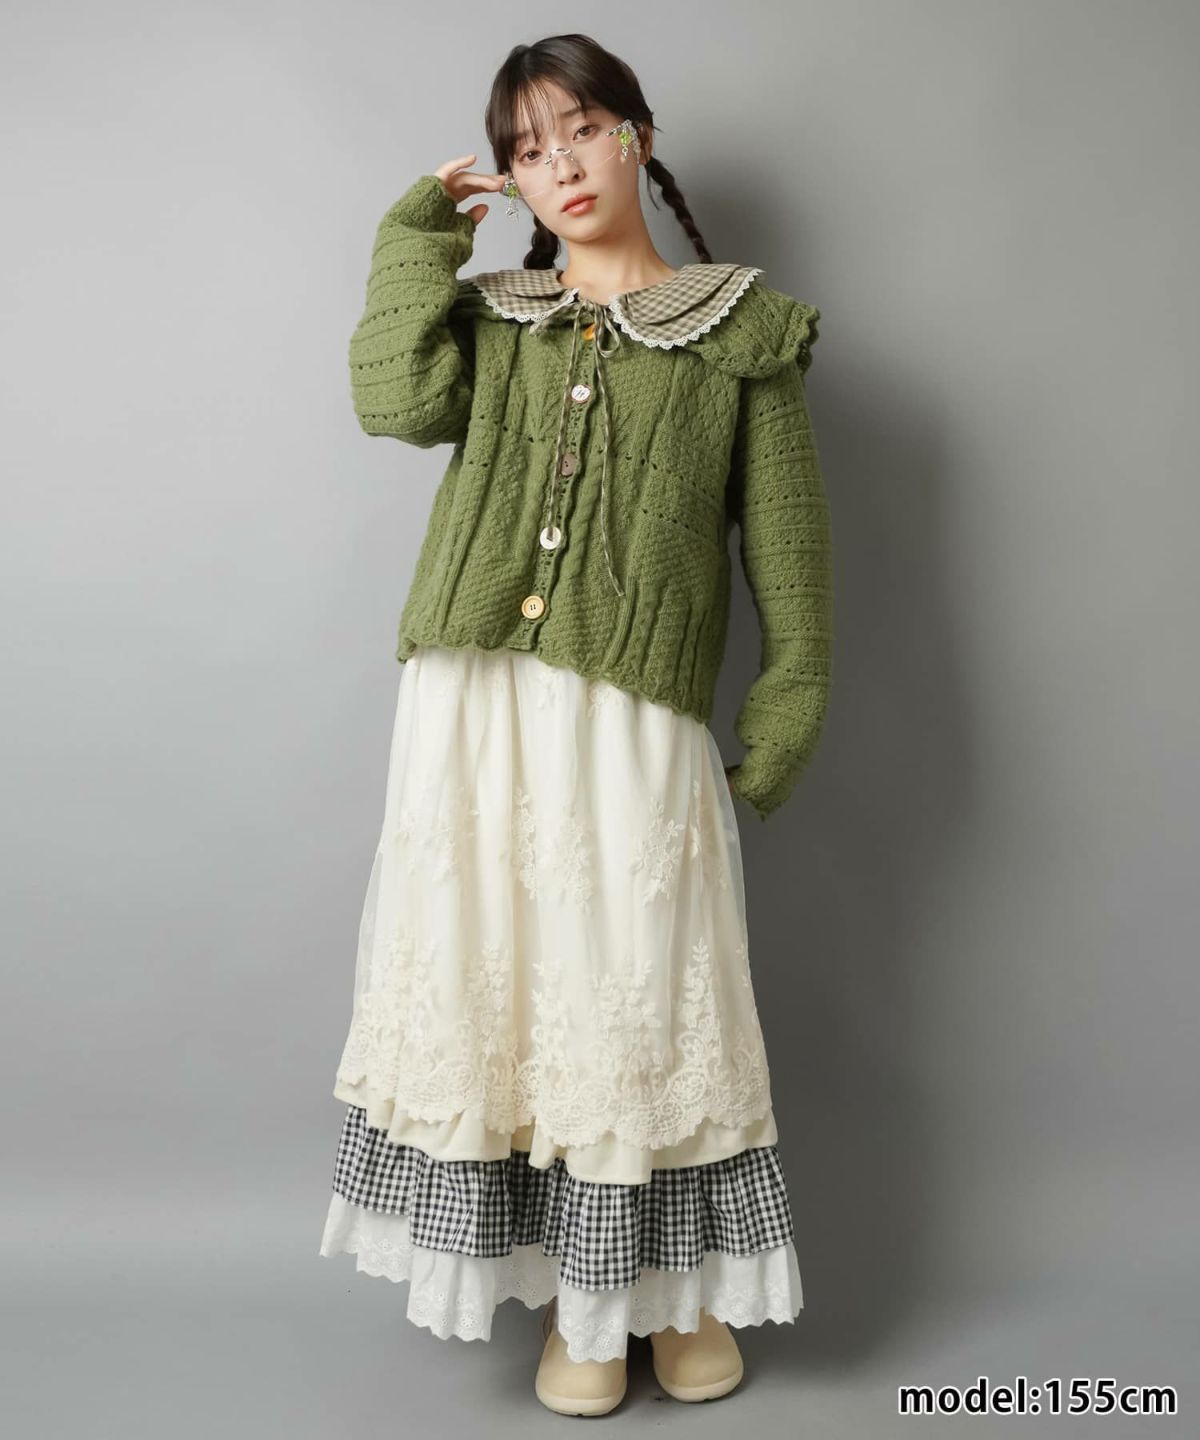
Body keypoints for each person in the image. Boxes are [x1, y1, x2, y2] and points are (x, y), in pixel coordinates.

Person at [318, 32, 833, 1417]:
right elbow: (390, 400)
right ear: (517, 180)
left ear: (637, 137)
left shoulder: (744, 331)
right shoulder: (495, 319)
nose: (562, 166)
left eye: (583, 130)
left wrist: (787, 708)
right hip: (476, 707)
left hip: (632, 709)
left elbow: (789, 548)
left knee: (639, 989)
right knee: (512, 989)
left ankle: (677, 1300)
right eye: (529, 150)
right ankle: (584, 1315)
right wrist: (419, 235)